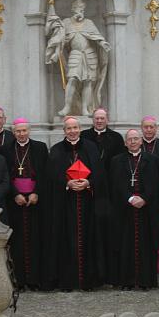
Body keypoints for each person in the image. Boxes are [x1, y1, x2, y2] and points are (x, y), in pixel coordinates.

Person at [46, 116, 104, 291]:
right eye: (69, 128)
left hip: (88, 203)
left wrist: (89, 183)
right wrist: (66, 183)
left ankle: (89, 281)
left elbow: (100, 174)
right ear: (64, 131)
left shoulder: (91, 148)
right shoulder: (56, 150)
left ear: (80, 129)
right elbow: (50, 177)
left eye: (75, 128)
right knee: (66, 241)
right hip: (65, 204)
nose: (72, 131)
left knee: (89, 240)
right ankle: (67, 281)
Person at [0, 118, 49, 290]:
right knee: (17, 241)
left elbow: (45, 173)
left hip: (35, 201)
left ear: (29, 131)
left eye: (24, 130)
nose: (21, 134)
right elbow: (4, 175)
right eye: (18, 131)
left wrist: (37, 192)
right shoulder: (5, 150)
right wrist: (15, 194)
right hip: (15, 202)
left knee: (35, 240)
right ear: (13, 133)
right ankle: (18, 280)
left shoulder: (40, 148)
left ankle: (34, 280)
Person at [109, 129, 159, 290]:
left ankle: (146, 281)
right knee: (126, 245)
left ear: (141, 141)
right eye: (130, 139)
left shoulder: (152, 160)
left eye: (135, 139)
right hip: (125, 209)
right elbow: (115, 184)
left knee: (146, 245)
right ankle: (127, 281)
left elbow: (156, 183)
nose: (133, 141)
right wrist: (130, 198)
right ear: (125, 143)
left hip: (147, 209)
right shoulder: (117, 161)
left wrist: (144, 198)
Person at [45, 0, 111, 116]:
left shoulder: (89, 23)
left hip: (90, 55)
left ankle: (85, 108)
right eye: (77, 8)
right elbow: (60, 40)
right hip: (75, 54)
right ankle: (67, 107)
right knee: (72, 79)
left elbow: (96, 36)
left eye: (82, 8)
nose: (80, 10)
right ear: (72, 9)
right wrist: (56, 51)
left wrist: (103, 43)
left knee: (88, 82)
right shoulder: (66, 23)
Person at [80, 107, 124, 284]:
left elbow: (121, 165)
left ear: (107, 119)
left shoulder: (116, 138)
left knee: (107, 233)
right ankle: (91, 273)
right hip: (87, 189)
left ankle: (109, 273)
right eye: (97, 118)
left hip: (109, 192)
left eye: (102, 118)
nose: (99, 121)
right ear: (93, 120)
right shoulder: (84, 136)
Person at [140, 115, 159, 274]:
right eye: (146, 127)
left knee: (157, 232)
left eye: (152, 127)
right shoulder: (136, 146)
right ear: (142, 128)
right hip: (139, 197)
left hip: (158, 197)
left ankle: (158, 265)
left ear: (156, 129)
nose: (149, 130)